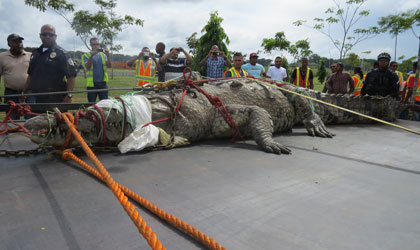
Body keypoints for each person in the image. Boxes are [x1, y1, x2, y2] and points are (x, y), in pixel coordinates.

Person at [23, 24, 77, 105]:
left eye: (51, 34)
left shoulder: (62, 53)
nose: (47, 36)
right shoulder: (35, 53)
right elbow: (30, 75)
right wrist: (24, 92)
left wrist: (69, 95)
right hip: (37, 97)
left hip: (56, 97)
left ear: (55, 36)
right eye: (44, 34)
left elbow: (71, 77)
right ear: (40, 36)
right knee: (36, 117)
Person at [0, 33, 33, 119]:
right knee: (11, 121)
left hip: (29, 93)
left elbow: (35, 75)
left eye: (20, 41)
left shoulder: (30, 56)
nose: (19, 44)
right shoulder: (2, 57)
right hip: (10, 94)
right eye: (16, 42)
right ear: (9, 44)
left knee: (32, 121)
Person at [81, 38, 111, 102]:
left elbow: (109, 66)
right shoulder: (86, 55)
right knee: (91, 104)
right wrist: (92, 55)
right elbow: (88, 67)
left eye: (97, 44)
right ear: (90, 45)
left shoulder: (103, 55)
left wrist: (108, 55)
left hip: (103, 83)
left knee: (105, 103)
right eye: (94, 44)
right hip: (92, 84)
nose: (96, 46)